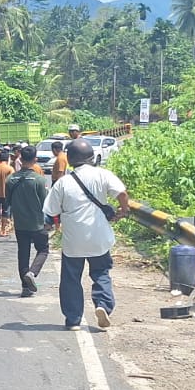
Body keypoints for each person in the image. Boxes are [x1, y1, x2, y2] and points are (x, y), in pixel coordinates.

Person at [43, 137, 131, 330]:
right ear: (91, 157)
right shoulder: (103, 174)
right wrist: (122, 211)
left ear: (71, 159)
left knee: (71, 279)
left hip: (73, 240)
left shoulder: (63, 182)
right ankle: (103, 306)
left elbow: (50, 211)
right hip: (98, 238)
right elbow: (122, 194)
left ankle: (73, 320)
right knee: (101, 273)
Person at [5, 144, 51, 297]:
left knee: (23, 254)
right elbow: (45, 203)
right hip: (37, 222)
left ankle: (25, 288)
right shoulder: (39, 180)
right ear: (35, 160)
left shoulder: (10, 179)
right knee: (43, 250)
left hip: (20, 223)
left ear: (20, 158)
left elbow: (8, 202)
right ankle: (32, 273)